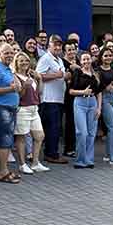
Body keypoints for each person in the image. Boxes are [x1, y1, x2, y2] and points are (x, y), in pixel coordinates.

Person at [0, 42, 23, 183]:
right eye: (6, 53)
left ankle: (5, 170)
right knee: (5, 141)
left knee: (8, 141)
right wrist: (10, 89)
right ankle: (2, 172)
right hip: (2, 108)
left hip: (10, 108)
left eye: (11, 53)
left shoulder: (8, 69)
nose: (9, 55)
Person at [11, 51, 50, 174]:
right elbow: (19, 96)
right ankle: (22, 164)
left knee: (40, 136)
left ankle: (35, 162)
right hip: (23, 109)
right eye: (21, 61)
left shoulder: (30, 76)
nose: (24, 63)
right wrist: (25, 86)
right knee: (21, 137)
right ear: (16, 63)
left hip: (34, 108)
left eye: (26, 60)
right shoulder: (14, 76)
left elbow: (39, 92)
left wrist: (39, 79)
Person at [36, 35, 68, 164]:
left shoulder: (59, 60)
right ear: (49, 45)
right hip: (49, 99)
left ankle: (51, 152)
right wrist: (56, 75)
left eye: (60, 45)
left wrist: (66, 76)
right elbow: (38, 75)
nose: (58, 47)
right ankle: (51, 154)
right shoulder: (45, 58)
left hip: (58, 98)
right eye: (55, 44)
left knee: (55, 128)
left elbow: (61, 76)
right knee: (52, 128)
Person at [69, 52, 101, 168]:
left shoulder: (95, 74)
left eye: (88, 59)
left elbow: (99, 92)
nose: (86, 61)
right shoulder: (77, 73)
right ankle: (80, 160)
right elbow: (71, 91)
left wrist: (99, 108)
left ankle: (89, 159)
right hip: (80, 102)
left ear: (91, 60)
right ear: (80, 62)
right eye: (84, 59)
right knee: (82, 132)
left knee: (91, 133)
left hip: (92, 103)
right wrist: (83, 92)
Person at [61, 39, 79, 157]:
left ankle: (75, 147)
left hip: (79, 94)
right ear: (64, 52)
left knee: (76, 122)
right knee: (70, 122)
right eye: (69, 50)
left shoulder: (78, 61)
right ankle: (68, 149)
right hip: (67, 95)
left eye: (73, 49)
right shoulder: (62, 62)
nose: (72, 52)